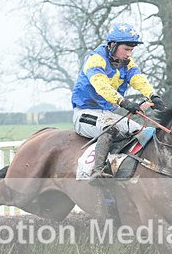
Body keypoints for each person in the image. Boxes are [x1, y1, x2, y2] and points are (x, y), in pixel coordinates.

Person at [71, 22, 166, 184]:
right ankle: (97, 171)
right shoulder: (96, 60)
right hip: (85, 112)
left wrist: (153, 96)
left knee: (144, 133)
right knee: (110, 129)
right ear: (113, 45)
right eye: (126, 49)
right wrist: (124, 102)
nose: (129, 54)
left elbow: (138, 79)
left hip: (107, 114)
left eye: (131, 50)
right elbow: (102, 86)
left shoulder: (127, 63)